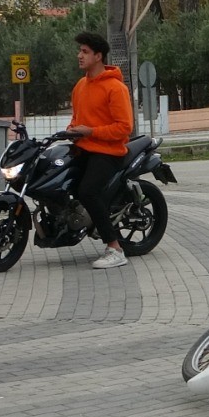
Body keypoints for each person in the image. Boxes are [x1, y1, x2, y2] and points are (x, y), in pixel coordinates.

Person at [67, 31, 135, 270]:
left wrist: (91, 132)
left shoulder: (115, 88)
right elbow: (77, 119)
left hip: (109, 152)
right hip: (83, 148)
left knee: (88, 191)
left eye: (85, 52)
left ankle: (115, 248)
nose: (79, 56)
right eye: (80, 51)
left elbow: (124, 128)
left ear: (98, 56)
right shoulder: (80, 86)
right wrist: (71, 131)